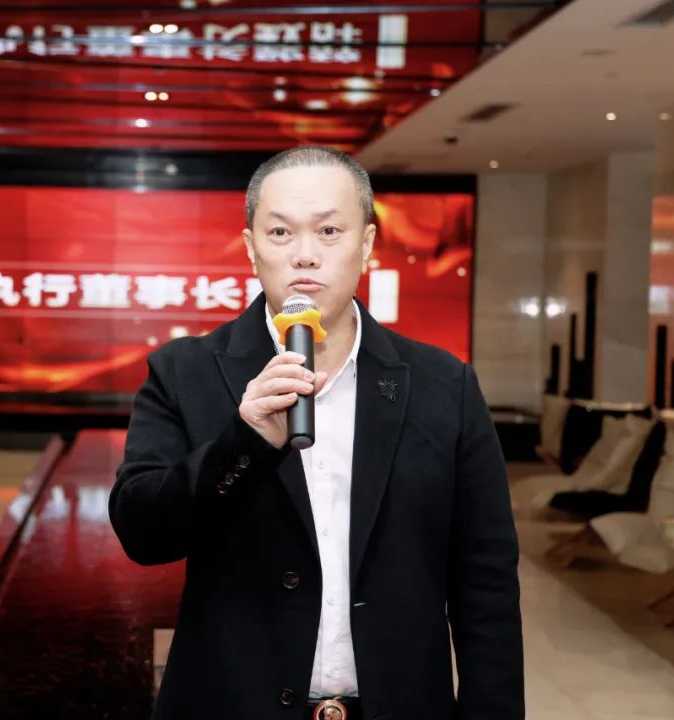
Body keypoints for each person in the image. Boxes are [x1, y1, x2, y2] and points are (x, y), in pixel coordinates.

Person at [110, 146, 524, 720]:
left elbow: (486, 581)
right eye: (280, 232)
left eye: (329, 231)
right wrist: (244, 442)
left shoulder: (443, 384)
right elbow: (142, 533)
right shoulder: (184, 371)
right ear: (251, 247)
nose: (305, 254)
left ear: (367, 244)